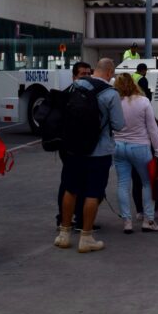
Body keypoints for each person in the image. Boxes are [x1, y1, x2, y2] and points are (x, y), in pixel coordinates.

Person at [54, 58, 125, 253]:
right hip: (99, 151)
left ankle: (64, 234)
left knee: (70, 189)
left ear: (95, 70)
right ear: (109, 72)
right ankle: (86, 238)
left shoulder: (75, 86)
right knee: (93, 193)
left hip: (73, 148)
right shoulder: (110, 94)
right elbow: (119, 125)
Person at [112, 74, 158, 234]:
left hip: (118, 147)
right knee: (147, 183)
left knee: (122, 184)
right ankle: (148, 221)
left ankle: (127, 222)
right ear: (134, 84)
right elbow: (153, 129)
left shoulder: (115, 103)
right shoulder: (143, 101)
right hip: (140, 147)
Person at [56, 61, 92, 229]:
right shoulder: (68, 96)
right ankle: (66, 218)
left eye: (88, 74)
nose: (86, 77)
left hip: (82, 145)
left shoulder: (88, 94)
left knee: (77, 182)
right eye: (82, 74)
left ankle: (76, 217)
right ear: (74, 77)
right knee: (70, 184)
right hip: (70, 146)